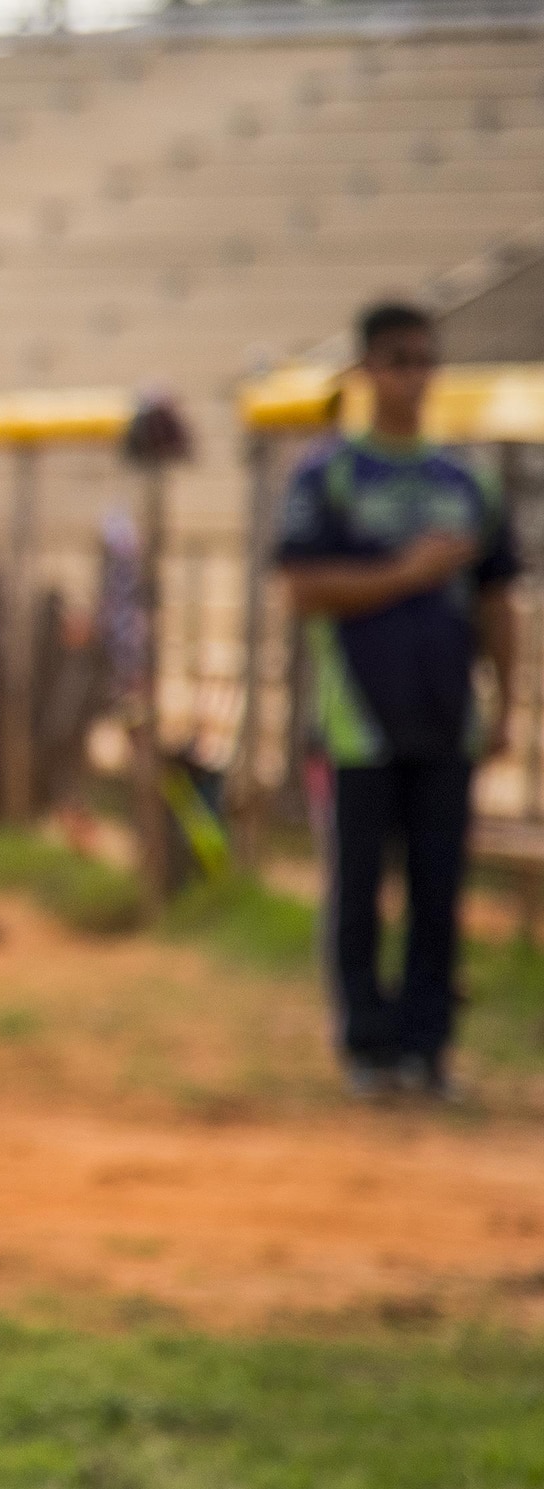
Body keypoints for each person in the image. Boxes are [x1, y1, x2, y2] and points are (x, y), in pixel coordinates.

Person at [277, 301, 517, 1102]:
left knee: (439, 888)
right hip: (358, 720)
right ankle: (366, 1044)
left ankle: (427, 1046)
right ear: (366, 370)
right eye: (396, 360)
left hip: (448, 714)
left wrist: (507, 700)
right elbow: (302, 587)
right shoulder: (328, 476)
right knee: (358, 889)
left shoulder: (467, 481)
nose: (411, 376)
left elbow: (496, 600)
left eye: (422, 360)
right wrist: (405, 574)